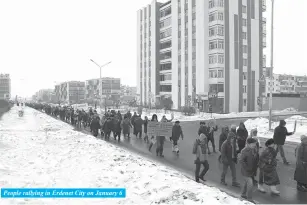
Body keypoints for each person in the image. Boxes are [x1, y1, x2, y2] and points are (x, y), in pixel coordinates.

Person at [240, 138, 258, 203]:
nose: (254, 145)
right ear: (248, 144)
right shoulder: (244, 151)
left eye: (255, 143)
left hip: (252, 170)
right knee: (250, 184)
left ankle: (243, 194)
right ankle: (249, 198)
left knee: (246, 183)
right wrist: (247, 168)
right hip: (246, 171)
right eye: (253, 144)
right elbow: (242, 161)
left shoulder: (254, 150)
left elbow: (255, 159)